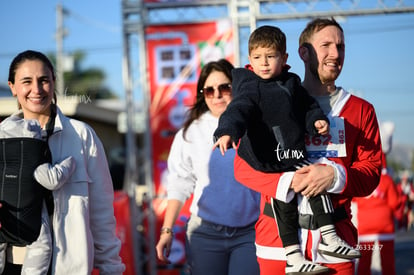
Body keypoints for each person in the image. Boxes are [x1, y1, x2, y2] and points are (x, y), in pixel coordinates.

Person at [231, 18, 382, 275]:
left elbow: (371, 172)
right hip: (278, 244)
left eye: (340, 46)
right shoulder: (269, 101)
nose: (335, 54)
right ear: (303, 52)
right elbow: (242, 167)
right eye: (325, 45)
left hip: (336, 245)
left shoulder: (361, 111)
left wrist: (335, 176)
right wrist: (287, 181)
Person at [4, 50, 125, 274]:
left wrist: (112, 268)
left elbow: (102, 213)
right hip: (13, 265)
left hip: (69, 266)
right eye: (26, 81)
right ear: (12, 87)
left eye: (44, 80)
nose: (37, 90)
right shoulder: (2, 138)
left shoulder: (81, 136)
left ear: (54, 82)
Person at [155, 59, 260, 275]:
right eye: (209, 90)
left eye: (224, 87)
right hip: (205, 234)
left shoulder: (256, 124)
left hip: (250, 232)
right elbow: (178, 184)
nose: (218, 95)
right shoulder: (190, 133)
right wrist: (167, 230)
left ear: (236, 87)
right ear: (203, 94)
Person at [0, 117, 76, 275]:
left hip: (3, 221)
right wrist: (69, 163)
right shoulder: (35, 164)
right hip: (32, 222)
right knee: (42, 247)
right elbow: (53, 180)